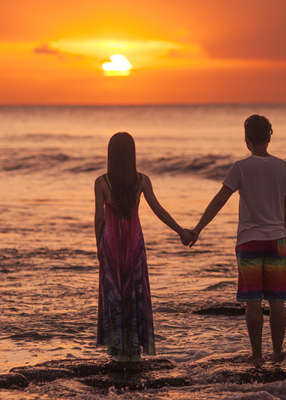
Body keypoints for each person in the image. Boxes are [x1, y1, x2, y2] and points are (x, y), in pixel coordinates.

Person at [188, 115, 286, 367]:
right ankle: (277, 353)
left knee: (253, 302)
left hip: (249, 242)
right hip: (277, 240)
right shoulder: (283, 167)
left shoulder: (241, 168)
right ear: (270, 136)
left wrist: (197, 228)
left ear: (246, 139)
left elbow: (219, 200)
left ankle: (257, 355)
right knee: (278, 301)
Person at [94, 132, 194, 362]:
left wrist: (99, 246)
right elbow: (158, 210)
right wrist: (180, 231)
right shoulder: (141, 180)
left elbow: (99, 219)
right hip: (134, 242)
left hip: (111, 243)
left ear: (110, 155)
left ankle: (117, 349)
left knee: (114, 293)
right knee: (136, 291)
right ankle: (134, 349)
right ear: (132, 154)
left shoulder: (102, 182)